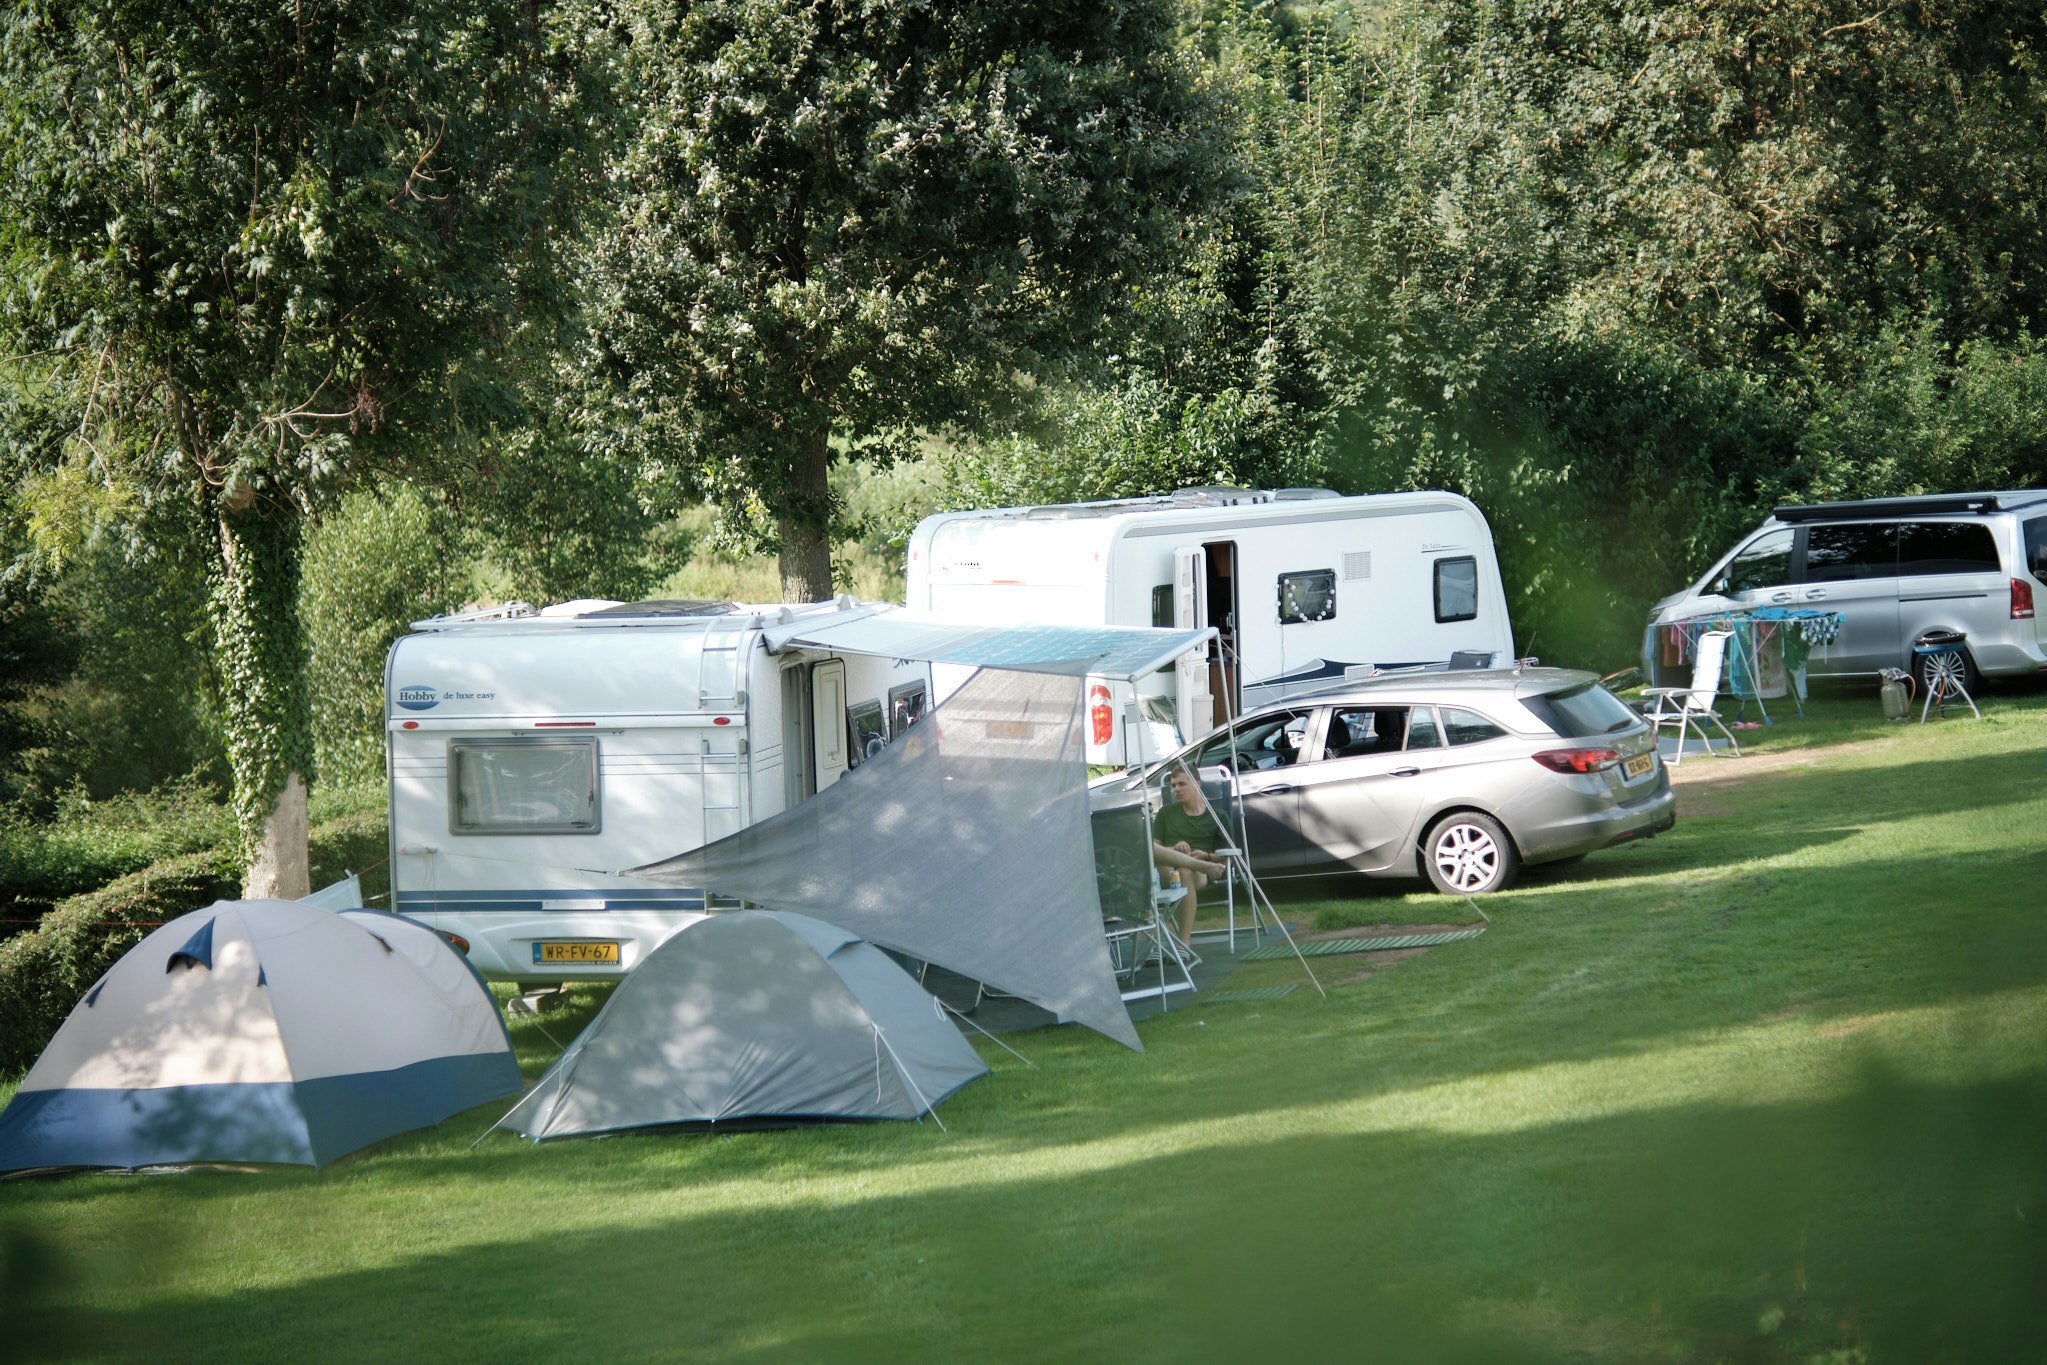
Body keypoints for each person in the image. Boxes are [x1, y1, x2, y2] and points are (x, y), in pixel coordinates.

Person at [1152, 766, 1224, 945]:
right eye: (1173, 785)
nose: (1176, 789)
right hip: (1166, 870)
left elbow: (1226, 857)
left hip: (1199, 873)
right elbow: (1153, 850)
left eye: (1182, 784)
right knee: (1146, 847)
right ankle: (1154, 944)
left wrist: (1206, 856)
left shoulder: (1217, 816)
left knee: (1185, 870)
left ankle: (1183, 943)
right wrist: (1174, 849)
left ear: (1197, 784)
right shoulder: (1165, 813)